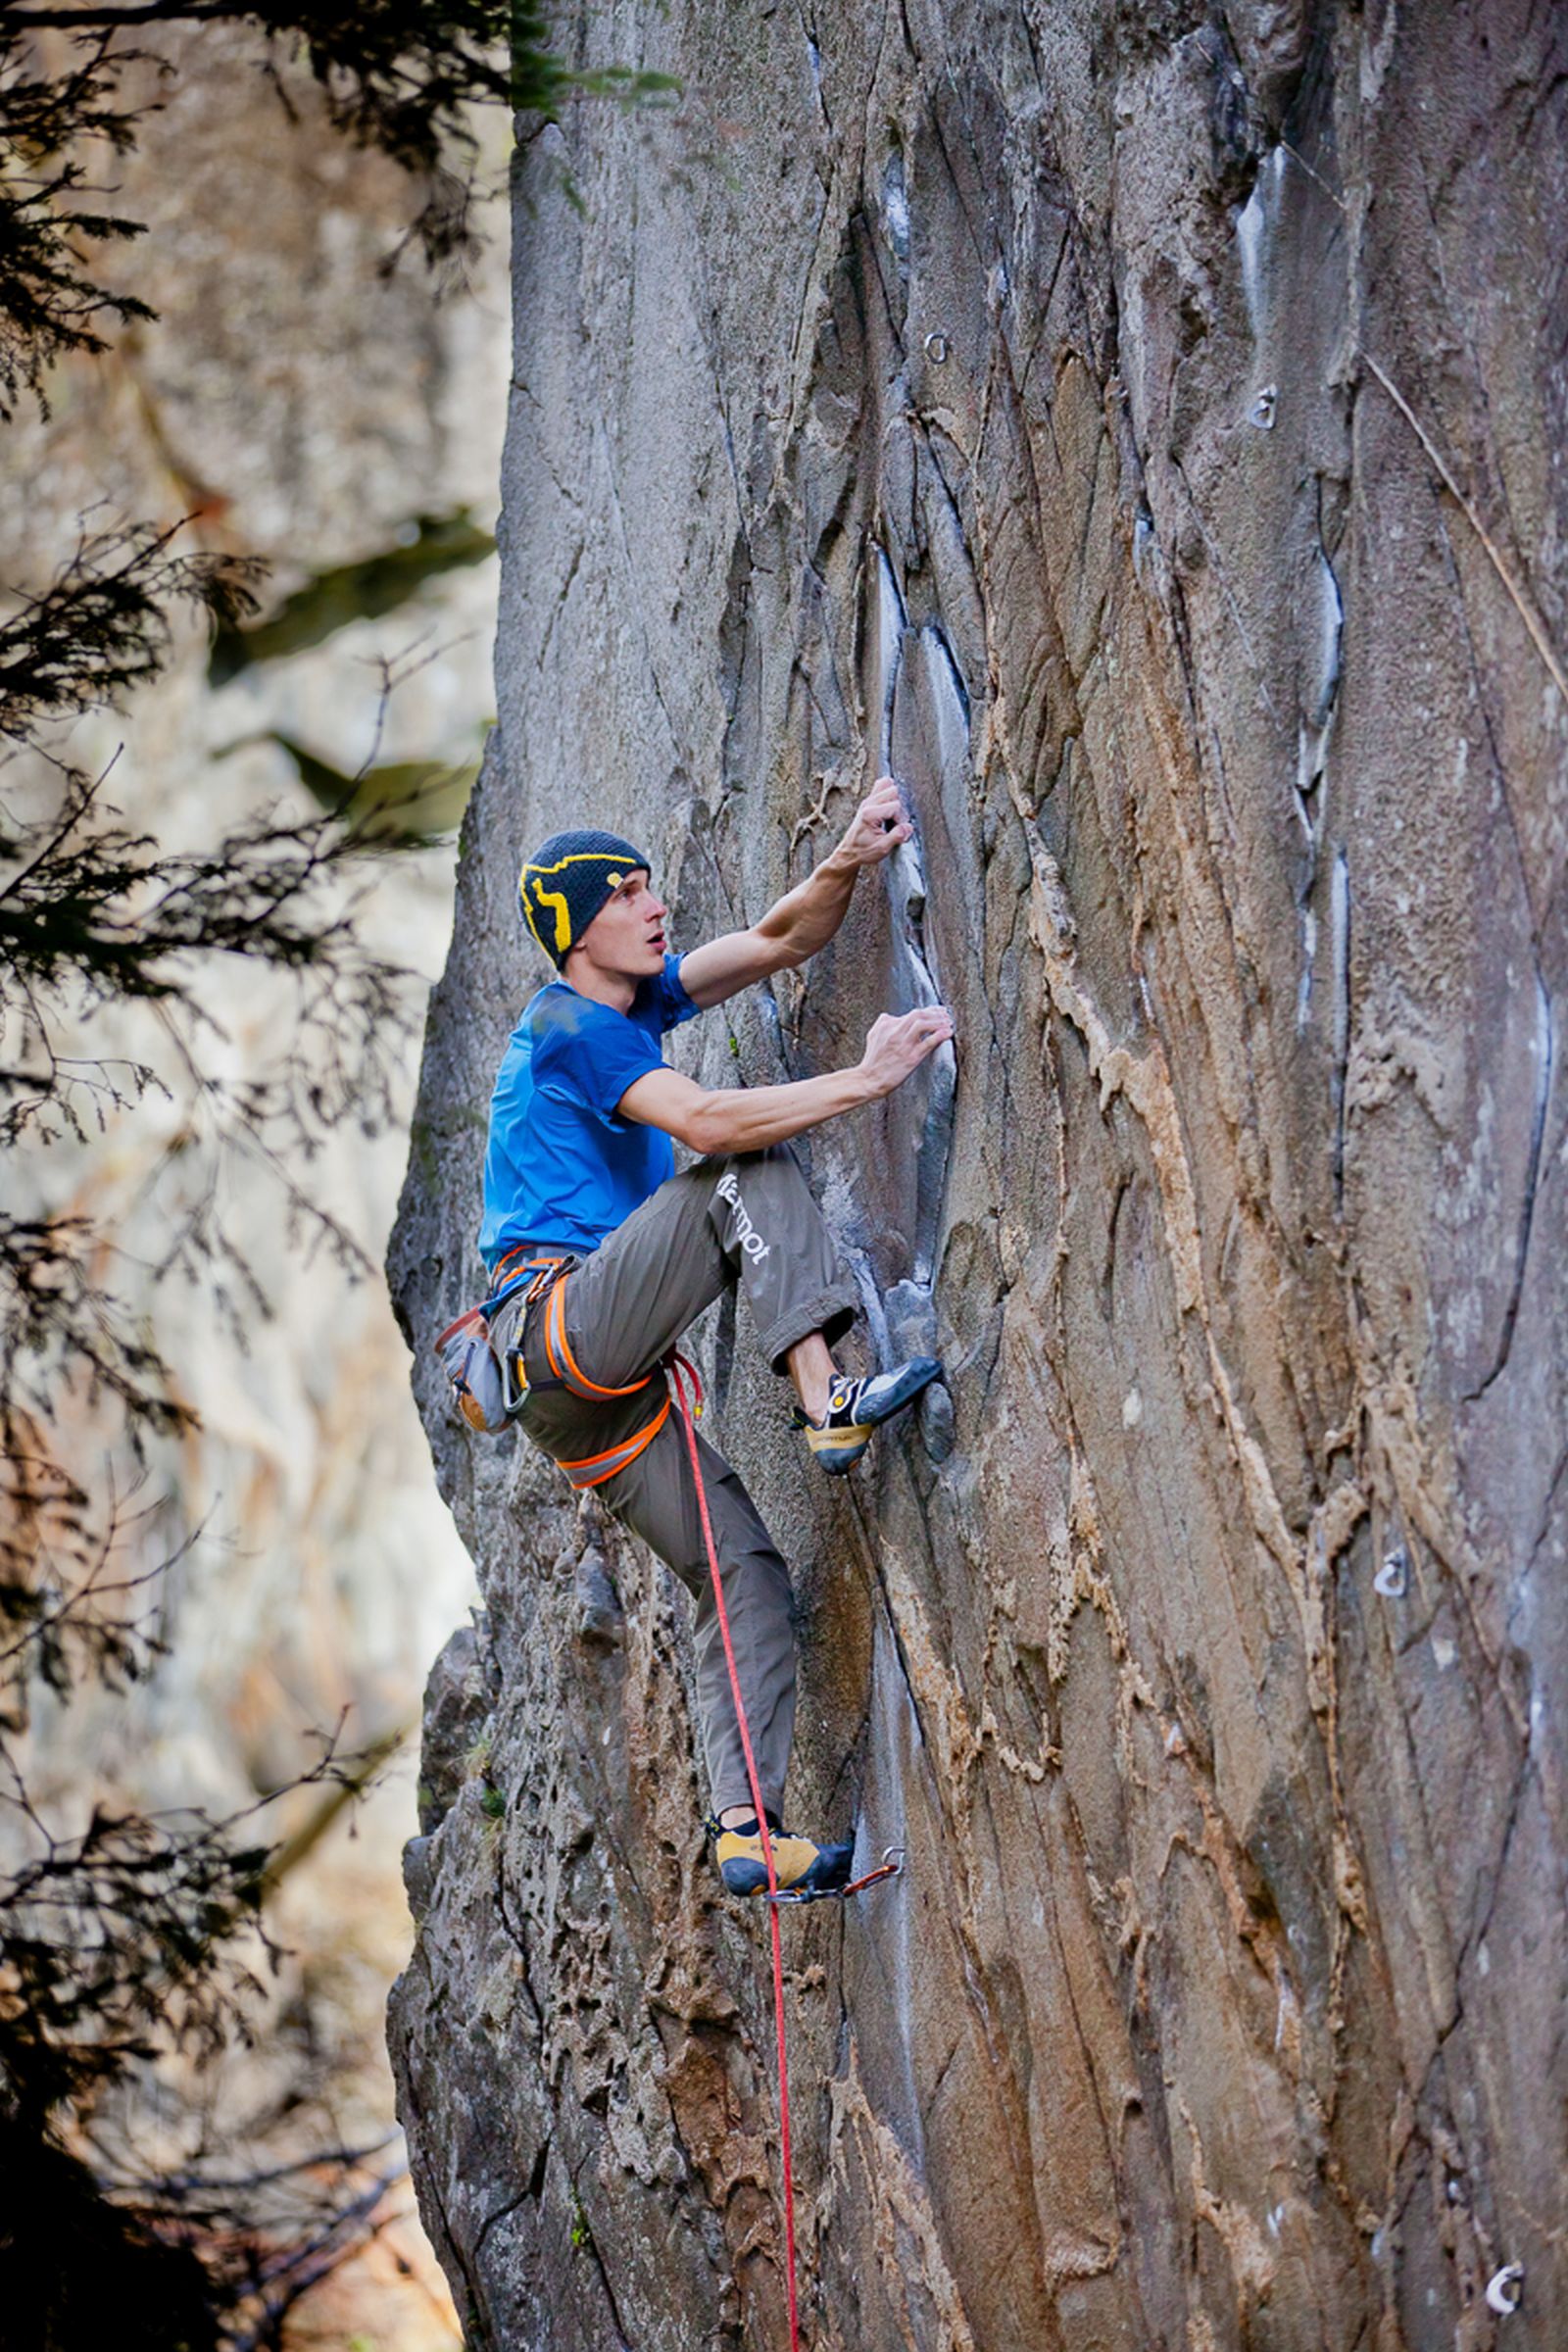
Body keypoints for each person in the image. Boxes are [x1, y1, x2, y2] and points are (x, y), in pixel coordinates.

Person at [477, 776, 955, 1895]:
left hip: (582, 1395)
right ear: (576, 924)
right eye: (627, 893)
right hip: (562, 1322)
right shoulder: (568, 1029)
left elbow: (782, 937)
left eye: (649, 886)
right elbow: (702, 1123)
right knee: (739, 1160)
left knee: (737, 1566)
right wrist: (870, 1077)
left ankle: (747, 1832)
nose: (653, 906)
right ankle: (825, 1397)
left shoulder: (630, 1009)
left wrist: (846, 860)